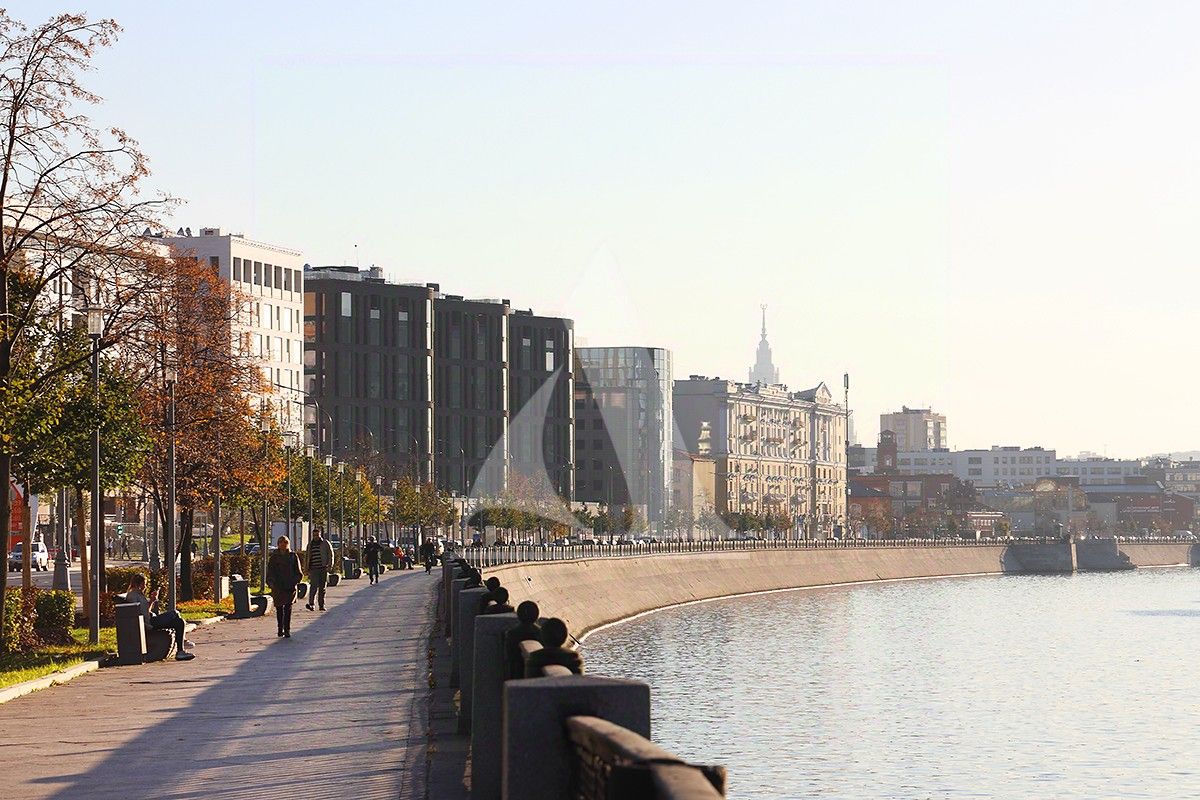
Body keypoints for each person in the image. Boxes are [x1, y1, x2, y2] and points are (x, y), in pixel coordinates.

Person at [126, 574, 195, 661]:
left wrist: (152, 601)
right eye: (144, 584)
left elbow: (145, 611)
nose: (145, 587)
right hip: (149, 623)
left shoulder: (139, 594)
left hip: (150, 619)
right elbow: (138, 613)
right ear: (138, 584)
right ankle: (182, 643)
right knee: (174, 613)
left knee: (179, 622)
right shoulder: (133, 596)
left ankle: (180, 650)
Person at [266, 535, 303, 637]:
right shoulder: (274, 557)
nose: (283, 544)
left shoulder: (293, 556)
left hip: (289, 586)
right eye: (281, 542)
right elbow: (270, 571)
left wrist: (295, 581)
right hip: (278, 586)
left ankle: (287, 629)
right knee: (279, 608)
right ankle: (280, 628)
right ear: (278, 544)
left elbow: (298, 571)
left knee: (288, 608)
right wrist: (271, 582)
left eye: (285, 542)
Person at [504, 601, 542, 679]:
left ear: (518, 615)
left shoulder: (512, 633)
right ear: (536, 616)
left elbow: (509, 656)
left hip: (516, 673)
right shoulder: (541, 633)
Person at [305, 528, 335, 611]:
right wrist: (306, 568)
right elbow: (307, 556)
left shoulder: (325, 543)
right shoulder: (310, 544)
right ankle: (311, 604)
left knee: (322, 588)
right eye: (314, 535)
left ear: (320, 534)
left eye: (317, 535)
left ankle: (321, 605)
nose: (315, 537)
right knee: (313, 587)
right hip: (313, 568)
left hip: (323, 568)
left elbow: (330, 554)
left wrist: (330, 565)